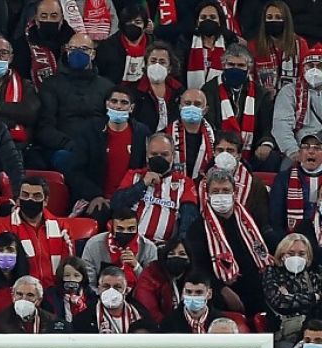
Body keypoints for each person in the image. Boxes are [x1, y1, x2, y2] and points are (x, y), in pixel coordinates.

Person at [187, 167, 273, 317]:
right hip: (223, 290)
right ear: (207, 195)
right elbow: (198, 268)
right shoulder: (198, 228)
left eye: (225, 190)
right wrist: (223, 290)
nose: (221, 195)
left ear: (234, 193)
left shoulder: (250, 220)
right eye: (216, 191)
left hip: (256, 286)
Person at [35, 32, 113, 172]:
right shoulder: (52, 85)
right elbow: (44, 127)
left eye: (83, 49)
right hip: (65, 148)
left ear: (93, 54)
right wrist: (69, 144)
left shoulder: (106, 87)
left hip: (98, 146)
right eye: (72, 49)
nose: (77, 53)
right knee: (71, 160)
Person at [69, 87, 151, 215]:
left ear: (132, 108)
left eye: (124, 103)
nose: (118, 106)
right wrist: (94, 195)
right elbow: (76, 171)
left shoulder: (141, 133)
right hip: (97, 198)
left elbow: (145, 168)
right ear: (107, 104)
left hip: (131, 199)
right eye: (114, 101)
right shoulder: (89, 131)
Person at [113, 132, 201, 245]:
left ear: (173, 156)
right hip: (129, 242)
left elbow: (189, 219)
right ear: (147, 156)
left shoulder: (184, 183)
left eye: (164, 155)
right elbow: (116, 205)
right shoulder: (134, 176)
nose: (159, 158)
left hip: (163, 247)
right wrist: (142, 184)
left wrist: (179, 244)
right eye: (154, 154)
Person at [81, 207, 159, 285]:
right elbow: (88, 283)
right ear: (112, 228)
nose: (125, 232)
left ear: (137, 228)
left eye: (131, 229)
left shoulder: (149, 248)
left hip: (136, 294)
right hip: (100, 294)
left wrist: (136, 266)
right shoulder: (94, 244)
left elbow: (152, 285)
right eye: (120, 229)